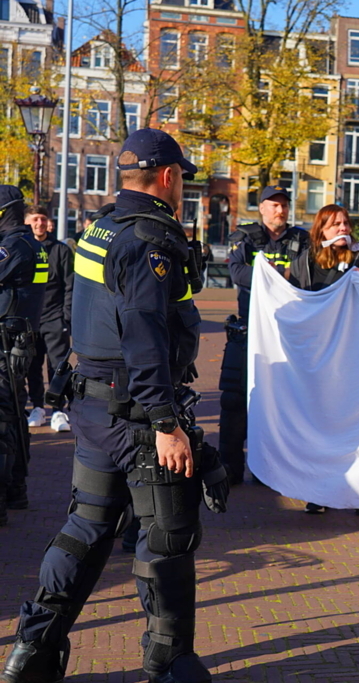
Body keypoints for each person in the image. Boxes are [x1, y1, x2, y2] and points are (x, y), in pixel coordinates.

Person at [0, 128, 229, 683]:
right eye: (184, 180)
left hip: (97, 407)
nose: (184, 190)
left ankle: (32, 650)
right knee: (167, 537)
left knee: (87, 526)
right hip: (138, 413)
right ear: (169, 177)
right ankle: (169, 661)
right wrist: (167, 423)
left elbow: (84, 310)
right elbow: (145, 336)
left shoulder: (100, 227)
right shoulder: (150, 239)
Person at [286, 203, 359, 515]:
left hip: (353, 358)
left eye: (345, 223)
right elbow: (297, 303)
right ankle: (320, 490)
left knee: (355, 423)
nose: (342, 229)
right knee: (320, 424)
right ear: (321, 230)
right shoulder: (307, 261)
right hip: (320, 359)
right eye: (335, 224)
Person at [220, 186, 309, 484]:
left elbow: (309, 276)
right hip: (249, 332)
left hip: (286, 335)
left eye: (284, 205)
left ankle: (269, 470)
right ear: (261, 208)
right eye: (274, 205)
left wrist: (274, 275)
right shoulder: (244, 238)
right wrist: (275, 276)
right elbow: (237, 273)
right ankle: (230, 469)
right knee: (234, 402)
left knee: (280, 405)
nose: (280, 211)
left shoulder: (301, 240)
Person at [0, 186, 46, 525]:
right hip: (20, 341)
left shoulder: (12, 246)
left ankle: (4, 497)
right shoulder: (33, 244)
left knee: (4, 419)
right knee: (15, 414)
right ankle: (16, 490)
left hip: (6, 343)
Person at [24, 205, 74, 433]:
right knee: (32, 366)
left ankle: (57, 410)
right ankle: (37, 407)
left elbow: (70, 285)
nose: (40, 223)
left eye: (43, 219)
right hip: (30, 320)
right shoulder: (24, 248)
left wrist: (66, 317)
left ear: (49, 222)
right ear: (28, 222)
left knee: (57, 366)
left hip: (55, 319)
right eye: (35, 219)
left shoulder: (61, 250)